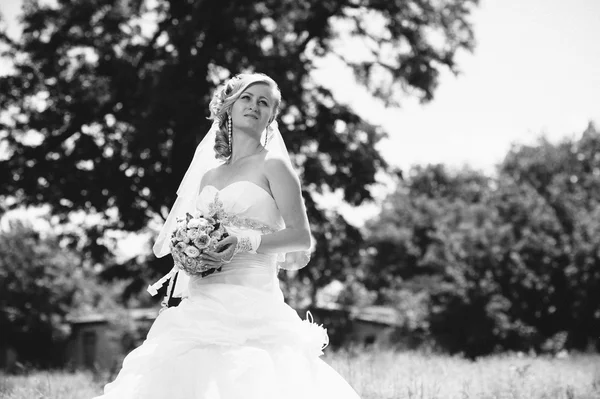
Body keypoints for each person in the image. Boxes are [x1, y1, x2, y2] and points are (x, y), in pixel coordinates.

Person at [93, 73, 361, 399]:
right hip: (202, 298)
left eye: (264, 102)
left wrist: (244, 242)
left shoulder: (274, 166)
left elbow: (301, 238)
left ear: (271, 118)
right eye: (247, 98)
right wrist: (187, 253)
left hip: (252, 297)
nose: (254, 106)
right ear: (229, 108)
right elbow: (193, 229)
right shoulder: (209, 174)